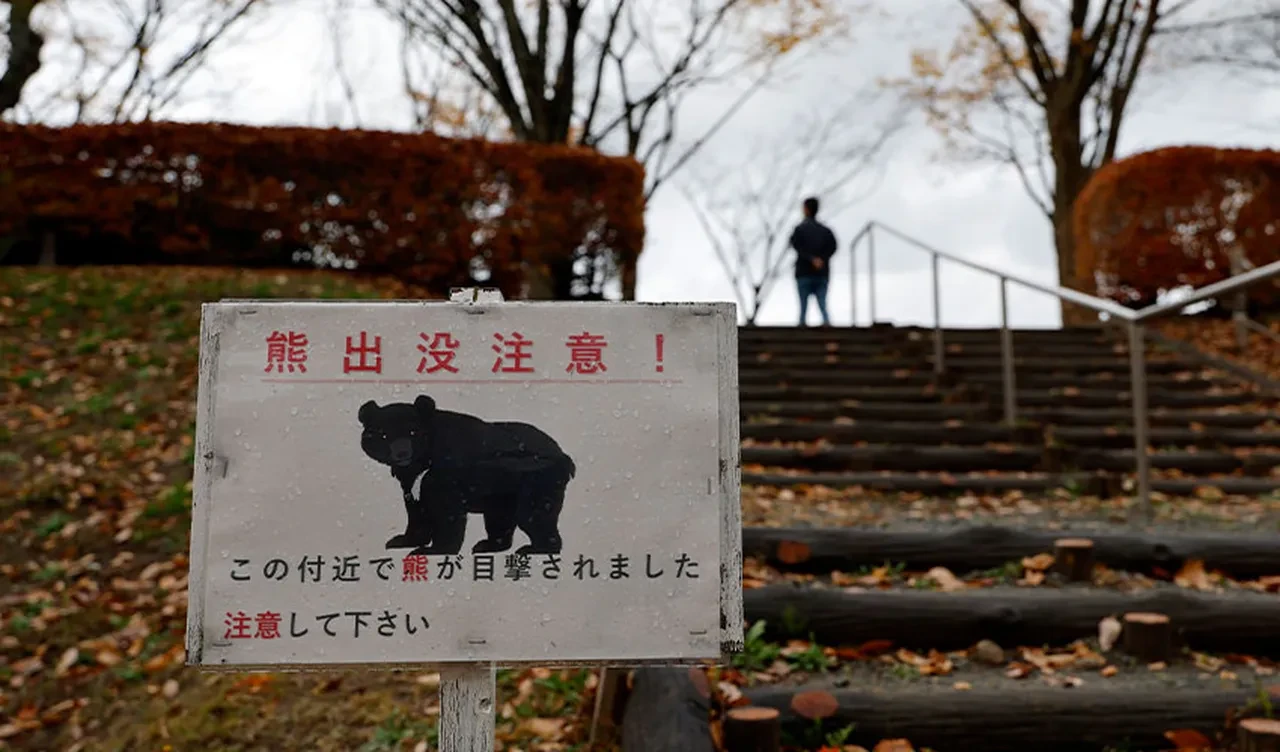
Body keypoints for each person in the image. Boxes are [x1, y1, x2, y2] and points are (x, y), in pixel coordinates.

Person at [789, 196, 837, 327]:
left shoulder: (800, 229)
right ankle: (826, 324)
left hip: (804, 272)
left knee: (803, 306)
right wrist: (821, 259)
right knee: (822, 303)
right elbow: (833, 247)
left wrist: (810, 258)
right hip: (821, 273)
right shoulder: (826, 231)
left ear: (806, 209)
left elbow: (795, 245)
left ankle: (802, 327)